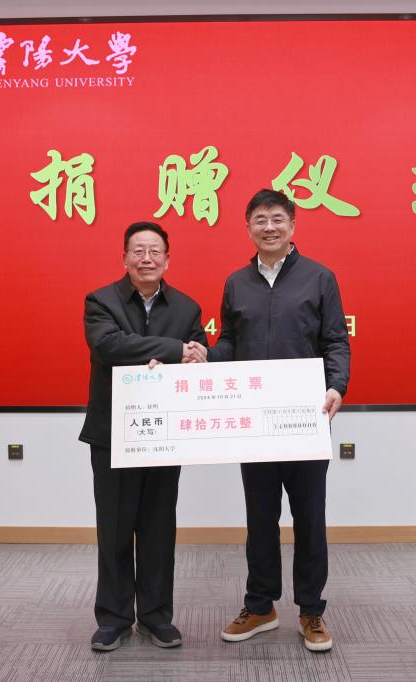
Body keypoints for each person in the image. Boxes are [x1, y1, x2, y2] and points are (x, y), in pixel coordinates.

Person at [207, 189, 350, 652]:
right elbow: (229, 342)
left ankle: (311, 610)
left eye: (277, 219)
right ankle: (261, 605)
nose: (269, 227)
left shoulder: (319, 277)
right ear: (248, 227)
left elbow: (335, 341)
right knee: (260, 517)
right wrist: (203, 357)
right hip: (254, 423)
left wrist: (336, 385)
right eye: (260, 220)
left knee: (310, 517)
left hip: (306, 419)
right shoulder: (236, 283)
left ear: (292, 225)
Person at [79, 221, 207, 651]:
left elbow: (199, 354)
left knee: (158, 529)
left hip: (165, 434)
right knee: (114, 530)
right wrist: (170, 351)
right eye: (138, 251)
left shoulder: (187, 308)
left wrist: (190, 356)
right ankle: (114, 619)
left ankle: (156, 617)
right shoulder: (101, 300)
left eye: (155, 251)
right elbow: (109, 346)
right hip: (113, 435)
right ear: (124, 258)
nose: (147, 258)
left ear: (167, 259)